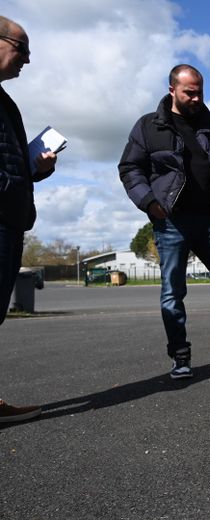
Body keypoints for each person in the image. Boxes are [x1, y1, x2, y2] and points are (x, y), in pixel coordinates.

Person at [118, 64, 210, 379]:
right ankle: (180, 356)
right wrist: (150, 203)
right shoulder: (149, 126)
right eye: (189, 92)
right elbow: (129, 168)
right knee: (172, 292)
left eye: (199, 92)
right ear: (172, 90)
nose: (195, 97)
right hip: (171, 222)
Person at [0, 16, 57, 422]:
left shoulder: (5, 103)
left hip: (10, 218)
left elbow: (13, 164)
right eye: (22, 49)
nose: (27, 60)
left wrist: (35, 168)